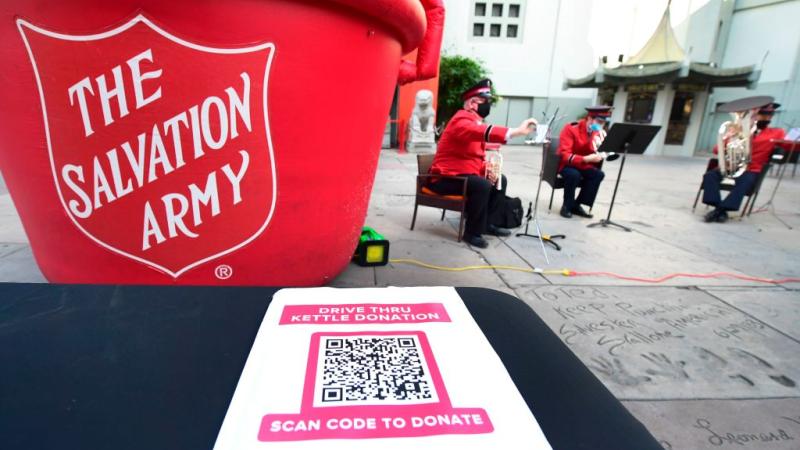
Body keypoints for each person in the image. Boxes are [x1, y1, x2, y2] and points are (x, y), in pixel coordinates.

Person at [427, 78, 537, 248]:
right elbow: (479, 132)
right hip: (444, 178)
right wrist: (516, 131)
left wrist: (488, 169)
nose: (488, 105)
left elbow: (474, 157)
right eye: (485, 101)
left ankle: (487, 224)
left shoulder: (474, 122)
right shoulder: (461, 120)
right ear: (472, 103)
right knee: (481, 185)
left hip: (463, 175)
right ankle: (471, 233)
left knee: (500, 179)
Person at [702, 101, 787, 223]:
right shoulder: (738, 129)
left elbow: (788, 146)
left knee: (745, 182)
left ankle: (720, 210)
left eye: (769, 115)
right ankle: (719, 209)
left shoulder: (776, 132)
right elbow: (716, 150)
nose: (766, 118)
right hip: (731, 166)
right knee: (710, 176)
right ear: (753, 115)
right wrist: (727, 137)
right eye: (762, 115)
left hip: (752, 169)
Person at [556, 106, 612, 219]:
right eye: (599, 122)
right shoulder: (571, 128)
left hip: (584, 164)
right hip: (567, 164)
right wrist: (586, 159)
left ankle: (577, 205)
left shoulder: (597, 132)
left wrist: (602, 153)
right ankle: (567, 206)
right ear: (590, 119)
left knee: (598, 174)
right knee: (574, 175)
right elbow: (565, 155)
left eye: (603, 123)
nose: (601, 125)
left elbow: (597, 150)